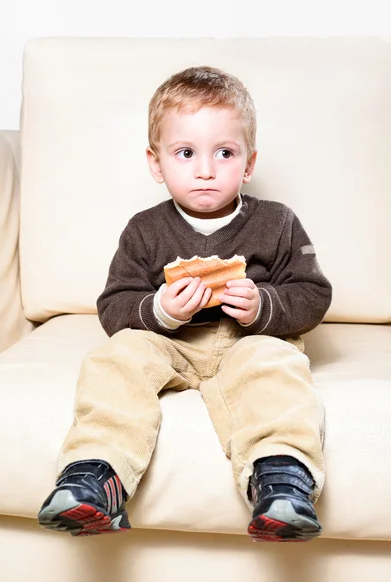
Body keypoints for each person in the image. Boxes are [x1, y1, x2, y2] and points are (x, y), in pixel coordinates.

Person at [38, 66, 332, 542]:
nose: (205, 169)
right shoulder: (143, 229)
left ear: (249, 162)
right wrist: (162, 311)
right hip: (168, 342)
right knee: (116, 359)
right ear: (156, 164)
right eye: (185, 153)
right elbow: (115, 305)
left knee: (276, 363)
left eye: (225, 153)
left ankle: (282, 480)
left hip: (247, 341)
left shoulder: (277, 222)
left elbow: (313, 292)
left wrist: (264, 305)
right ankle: (95, 475)